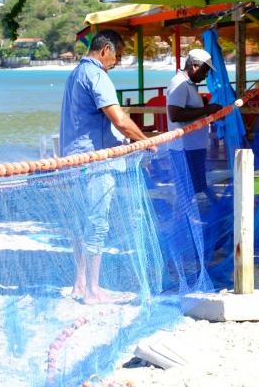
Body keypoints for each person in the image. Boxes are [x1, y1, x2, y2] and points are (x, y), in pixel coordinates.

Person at [60, 29, 150, 304]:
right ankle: (93, 290)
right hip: (94, 160)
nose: (117, 62)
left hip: (72, 159)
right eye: (118, 56)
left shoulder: (75, 74)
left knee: (80, 221)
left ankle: (80, 283)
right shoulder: (97, 75)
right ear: (105, 50)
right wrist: (146, 141)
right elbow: (119, 119)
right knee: (97, 221)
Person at [166, 48, 222, 197]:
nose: (205, 76)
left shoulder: (189, 84)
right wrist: (206, 109)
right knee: (186, 191)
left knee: (197, 186)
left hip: (194, 146)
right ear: (194, 66)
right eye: (205, 71)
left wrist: (206, 108)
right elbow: (175, 114)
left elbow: (189, 110)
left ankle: (200, 214)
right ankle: (185, 219)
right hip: (184, 147)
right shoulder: (179, 83)